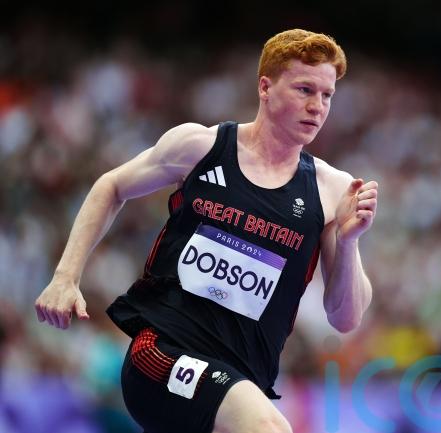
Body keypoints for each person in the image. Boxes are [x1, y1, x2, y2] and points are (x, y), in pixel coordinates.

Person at [35, 29, 377, 433]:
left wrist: (348, 242)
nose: (317, 106)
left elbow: (345, 318)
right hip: (161, 353)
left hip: (240, 379)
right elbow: (111, 186)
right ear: (265, 88)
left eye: (327, 95)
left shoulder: (331, 190)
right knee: (268, 428)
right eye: (305, 89)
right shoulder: (200, 147)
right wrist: (65, 276)